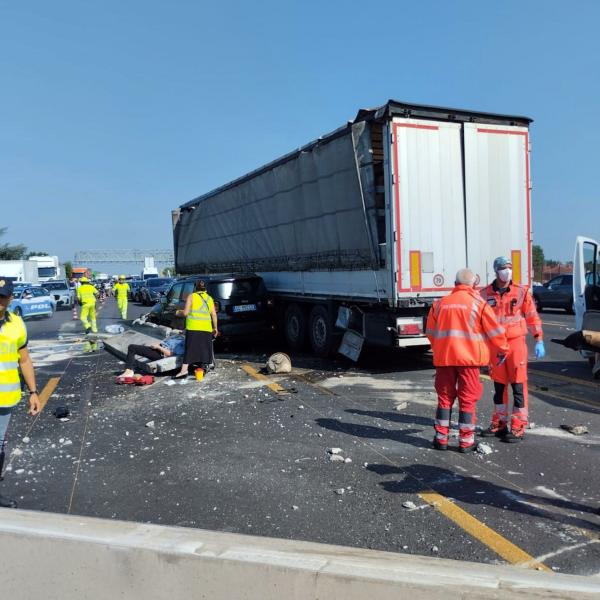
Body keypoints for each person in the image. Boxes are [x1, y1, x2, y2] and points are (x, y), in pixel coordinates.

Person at [426, 269, 509, 452]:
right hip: (470, 361)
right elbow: (495, 332)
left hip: (445, 360)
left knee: (445, 399)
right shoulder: (478, 305)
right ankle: (466, 441)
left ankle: (441, 439)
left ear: (455, 284)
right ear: (473, 285)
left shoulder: (439, 304)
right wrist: (503, 350)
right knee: (467, 400)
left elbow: (430, 334)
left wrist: (441, 349)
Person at [479, 256, 544, 443]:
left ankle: (518, 425)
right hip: (496, 346)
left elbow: (532, 317)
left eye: (509, 267)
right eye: (503, 268)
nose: (507, 271)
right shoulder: (484, 294)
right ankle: (499, 422)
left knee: (518, 385)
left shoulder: (521, 292)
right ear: (496, 270)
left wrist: (538, 338)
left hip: (515, 343)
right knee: (499, 386)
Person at [0, 278, 40, 508]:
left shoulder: (16, 324)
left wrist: (33, 392)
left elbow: (24, 360)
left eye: (2, 297)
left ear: (10, 298)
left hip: (5, 398)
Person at [173, 280, 218, 379]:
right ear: (205, 288)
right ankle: (202, 369)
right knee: (203, 349)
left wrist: (177, 312)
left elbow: (185, 313)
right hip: (206, 328)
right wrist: (215, 328)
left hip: (193, 327)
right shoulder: (209, 298)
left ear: (195, 287)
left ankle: (183, 371)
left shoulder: (191, 296)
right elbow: (213, 314)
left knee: (190, 350)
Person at [118, 334, 185, 378]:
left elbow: (171, 354)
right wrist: (157, 344)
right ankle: (129, 370)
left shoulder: (183, 342)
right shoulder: (178, 336)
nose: (183, 330)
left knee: (132, 347)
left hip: (160, 354)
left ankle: (128, 371)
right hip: (157, 348)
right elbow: (165, 342)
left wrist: (158, 347)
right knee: (133, 347)